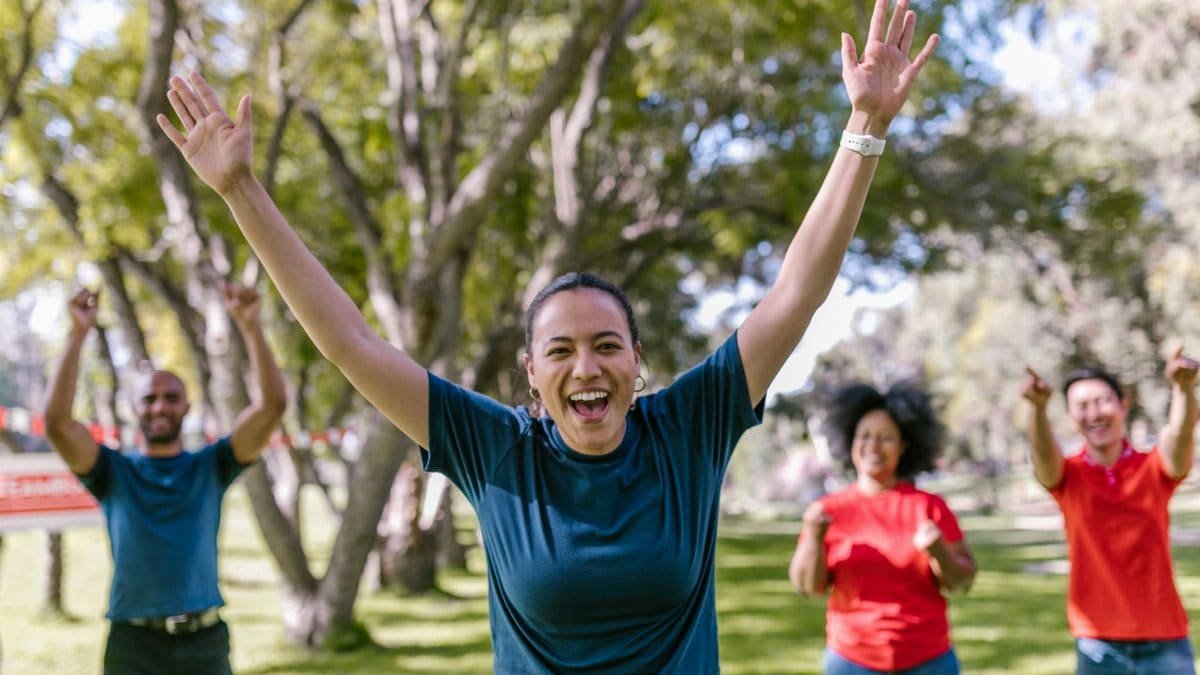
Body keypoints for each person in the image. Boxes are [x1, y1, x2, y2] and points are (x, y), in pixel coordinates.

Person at [155, 0, 938, 670]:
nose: (586, 366)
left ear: (638, 362)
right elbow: (351, 342)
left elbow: (794, 294)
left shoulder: (689, 428)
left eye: (606, 344)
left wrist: (864, 126)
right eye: (560, 350)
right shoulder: (494, 448)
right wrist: (241, 191)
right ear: (532, 374)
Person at [43, 284, 287, 675]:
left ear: (187, 407)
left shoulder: (212, 466)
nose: (160, 406)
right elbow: (56, 424)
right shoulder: (112, 472)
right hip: (133, 644)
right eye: (150, 398)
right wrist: (77, 333)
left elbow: (272, 406)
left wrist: (252, 327)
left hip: (204, 642)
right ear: (135, 407)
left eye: (171, 397)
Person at [1022, 353, 1198, 675]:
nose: (1094, 414)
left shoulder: (1153, 467)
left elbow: (1180, 437)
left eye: (1102, 401)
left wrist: (1184, 390)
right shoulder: (1068, 476)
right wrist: (1036, 407)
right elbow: (1044, 456)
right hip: (1097, 642)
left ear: (1123, 405)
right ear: (1071, 417)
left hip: (1164, 638)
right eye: (1082, 406)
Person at [788, 382, 976, 675]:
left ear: (903, 447)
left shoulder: (929, 507)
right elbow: (807, 587)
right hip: (851, 661)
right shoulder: (827, 511)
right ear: (850, 441)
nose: (873, 446)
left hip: (928, 661)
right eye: (864, 436)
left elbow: (962, 582)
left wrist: (939, 551)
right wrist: (813, 537)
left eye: (885, 438)